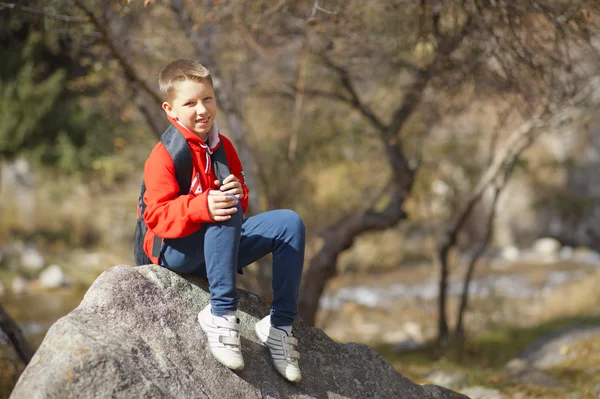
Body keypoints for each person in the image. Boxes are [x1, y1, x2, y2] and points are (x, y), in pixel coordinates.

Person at [140, 59, 305, 382]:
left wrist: (238, 192)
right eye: (189, 103)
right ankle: (221, 314)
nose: (202, 110)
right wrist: (203, 205)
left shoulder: (223, 146)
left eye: (207, 99)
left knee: (290, 223)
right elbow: (156, 217)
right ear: (170, 109)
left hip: (219, 245)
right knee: (222, 207)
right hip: (175, 252)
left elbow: (241, 205)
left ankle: (279, 326)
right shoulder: (164, 155)